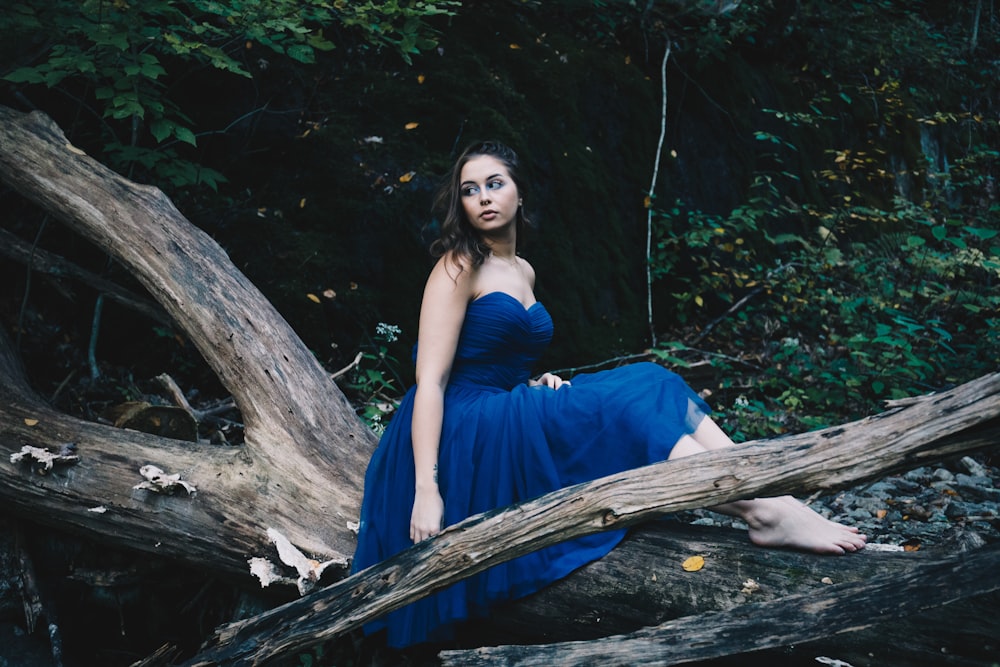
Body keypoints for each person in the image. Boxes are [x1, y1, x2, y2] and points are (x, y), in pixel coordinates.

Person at [351, 140, 866, 648]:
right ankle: (763, 512)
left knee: (652, 379)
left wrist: (531, 383)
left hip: (500, 406)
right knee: (621, 408)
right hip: (460, 427)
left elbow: (493, 356)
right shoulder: (457, 265)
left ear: (519, 194)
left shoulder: (523, 270)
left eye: (494, 183)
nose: (483, 197)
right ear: (460, 205)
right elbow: (432, 383)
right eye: (470, 190)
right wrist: (426, 488)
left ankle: (771, 496)